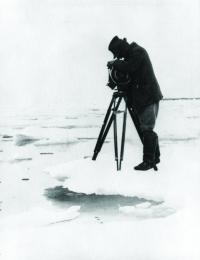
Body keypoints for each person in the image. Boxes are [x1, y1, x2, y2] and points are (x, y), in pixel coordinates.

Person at [108, 36, 163, 171]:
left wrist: (114, 64)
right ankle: (154, 157)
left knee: (147, 128)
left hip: (148, 97)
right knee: (146, 128)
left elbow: (129, 68)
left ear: (122, 49)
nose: (119, 57)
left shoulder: (138, 52)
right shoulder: (131, 55)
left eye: (119, 54)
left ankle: (149, 161)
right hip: (142, 97)